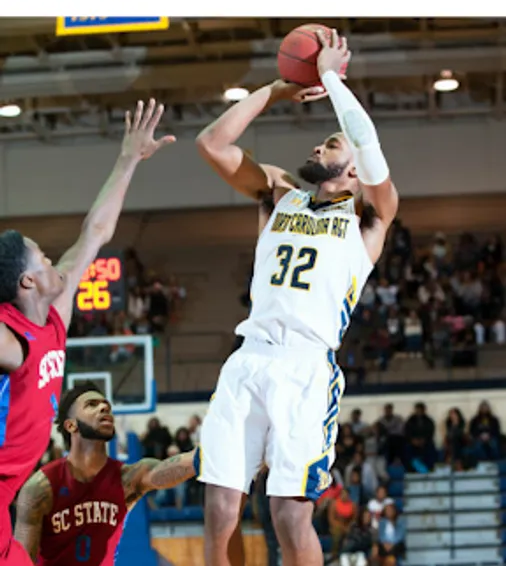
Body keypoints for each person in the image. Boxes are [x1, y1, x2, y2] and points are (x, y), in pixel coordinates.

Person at [195, 30, 398, 566]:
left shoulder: (369, 215)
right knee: (219, 509)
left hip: (305, 368)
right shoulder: (280, 192)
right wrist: (275, 91)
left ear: (353, 169)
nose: (316, 148)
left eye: (330, 144)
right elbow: (211, 144)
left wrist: (329, 76)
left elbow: (368, 144)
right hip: (249, 357)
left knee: (288, 515)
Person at [0, 98, 175, 565]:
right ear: (27, 282)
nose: (53, 260)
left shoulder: (54, 312)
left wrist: (128, 159)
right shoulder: (10, 338)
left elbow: (94, 231)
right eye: (43, 258)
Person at [14, 383, 196, 565]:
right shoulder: (41, 487)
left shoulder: (127, 478)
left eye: (106, 405)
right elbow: (21, 560)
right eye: (91, 405)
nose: (104, 407)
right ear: (71, 425)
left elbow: (172, 468)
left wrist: (206, 451)